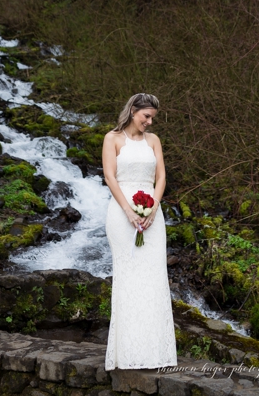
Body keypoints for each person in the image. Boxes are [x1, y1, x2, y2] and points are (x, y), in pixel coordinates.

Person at [102, 92, 177, 370]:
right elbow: (110, 177)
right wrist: (129, 211)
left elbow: (161, 176)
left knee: (154, 276)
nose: (149, 122)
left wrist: (154, 207)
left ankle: (155, 351)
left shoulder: (153, 141)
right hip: (122, 215)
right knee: (129, 277)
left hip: (152, 216)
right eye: (146, 116)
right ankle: (127, 353)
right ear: (133, 110)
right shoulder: (113, 138)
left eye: (152, 118)